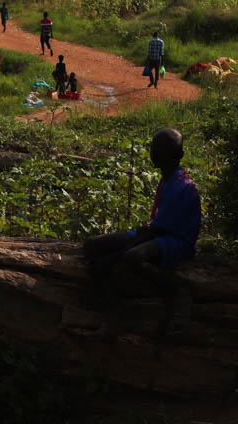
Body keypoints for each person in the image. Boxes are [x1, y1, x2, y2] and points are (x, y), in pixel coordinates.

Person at [82, 129, 199, 339]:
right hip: (158, 231)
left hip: (176, 241)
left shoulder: (181, 187)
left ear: (174, 156)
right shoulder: (168, 178)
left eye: (157, 151)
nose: (152, 155)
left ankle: (178, 292)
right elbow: (153, 227)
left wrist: (110, 260)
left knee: (132, 257)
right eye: (153, 150)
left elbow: (156, 232)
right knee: (92, 245)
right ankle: (116, 307)